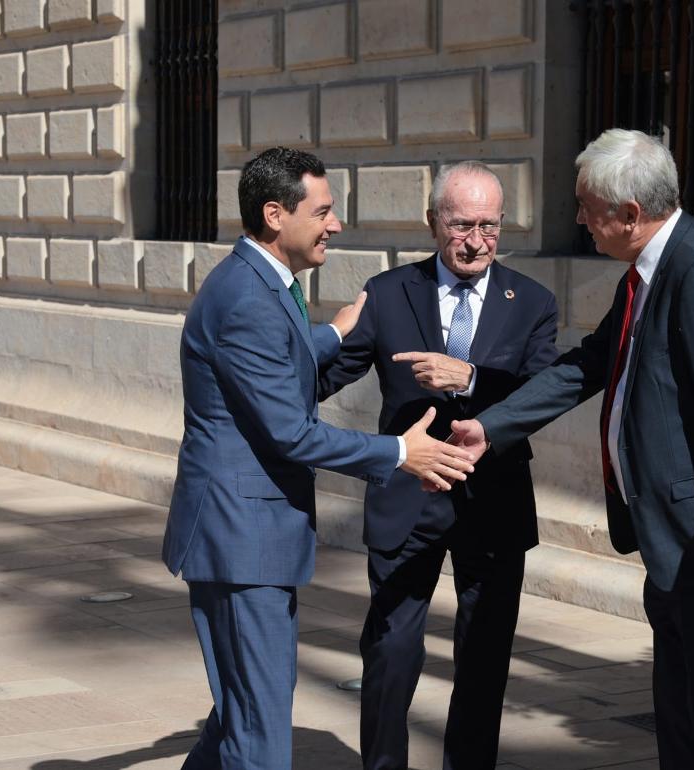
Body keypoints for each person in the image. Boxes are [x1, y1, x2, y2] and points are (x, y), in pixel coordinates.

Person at [448, 129, 694, 770]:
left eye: (586, 206)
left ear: (630, 215)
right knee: (681, 729)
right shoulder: (651, 270)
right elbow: (592, 364)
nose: (577, 219)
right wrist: (494, 425)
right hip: (672, 545)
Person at [161, 147, 476, 769]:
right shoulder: (248, 296)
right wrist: (397, 452)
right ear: (275, 215)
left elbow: (272, 360)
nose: (335, 225)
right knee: (260, 728)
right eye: (324, 211)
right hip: (241, 541)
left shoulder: (255, 280)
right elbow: (292, 432)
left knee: (239, 715)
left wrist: (331, 334)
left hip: (244, 536)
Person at [318, 160, 558, 770]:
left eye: (489, 225)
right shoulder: (389, 293)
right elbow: (322, 377)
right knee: (392, 649)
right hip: (408, 496)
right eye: (461, 225)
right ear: (432, 223)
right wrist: (302, 339)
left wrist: (472, 376)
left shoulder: (531, 301)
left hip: (492, 501)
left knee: (483, 657)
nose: (476, 240)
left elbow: (541, 393)